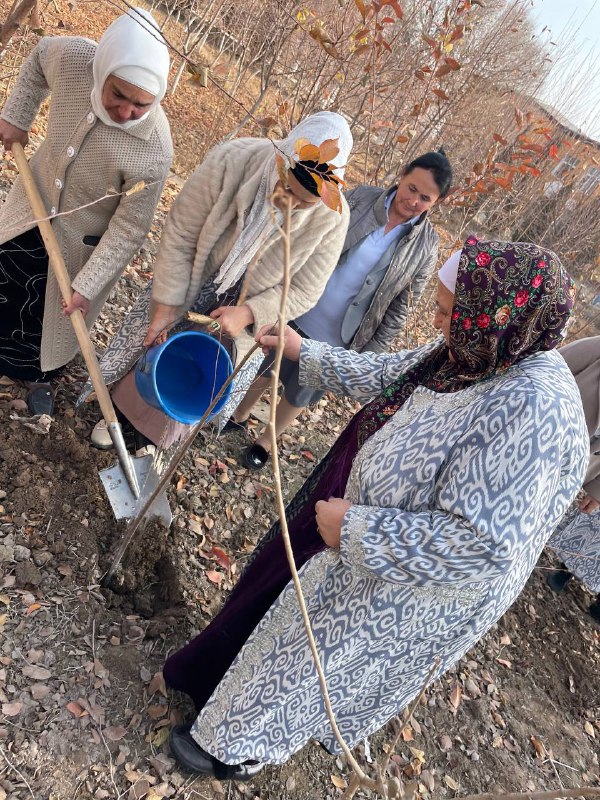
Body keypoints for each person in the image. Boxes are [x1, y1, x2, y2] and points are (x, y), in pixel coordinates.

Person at [162, 237, 586, 779]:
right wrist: (303, 352)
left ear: (494, 314)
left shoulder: (531, 409)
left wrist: (358, 531)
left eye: (445, 310)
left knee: (314, 659)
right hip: (365, 532)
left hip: (411, 587)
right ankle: (224, 701)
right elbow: (389, 375)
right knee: (288, 626)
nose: (436, 321)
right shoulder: (480, 350)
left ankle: (233, 750)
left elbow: (482, 546)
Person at [87, 112, 353, 455]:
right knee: (158, 345)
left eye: (305, 202)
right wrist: (167, 306)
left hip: (246, 308)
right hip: (196, 273)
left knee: (205, 374)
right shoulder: (234, 159)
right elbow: (181, 233)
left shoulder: (334, 218)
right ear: (281, 159)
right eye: (287, 188)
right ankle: (117, 416)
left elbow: (305, 290)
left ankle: (153, 439)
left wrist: (249, 313)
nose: (291, 203)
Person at [229, 149, 453, 470]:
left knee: (301, 391)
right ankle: (238, 415)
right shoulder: (362, 198)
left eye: (425, 198)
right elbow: (316, 230)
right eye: (412, 188)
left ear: (436, 202)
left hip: (342, 337)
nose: (413, 200)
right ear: (402, 176)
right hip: (303, 304)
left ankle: (265, 442)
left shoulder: (426, 246)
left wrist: (368, 356)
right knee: (267, 365)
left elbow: (399, 310)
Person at [0, 8, 173, 415]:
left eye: (141, 104)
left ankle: (35, 374)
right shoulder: (78, 59)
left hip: (81, 241)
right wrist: (17, 115)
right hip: (32, 199)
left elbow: (130, 228)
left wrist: (89, 283)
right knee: (9, 273)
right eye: (118, 95)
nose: (127, 112)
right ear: (103, 71)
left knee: (50, 314)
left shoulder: (154, 149)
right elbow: (40, 55)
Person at [546, 335, 600, 622]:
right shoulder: (596, 351)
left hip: (573, 474)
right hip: (537, 445)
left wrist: (597, 490)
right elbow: (546, 368)